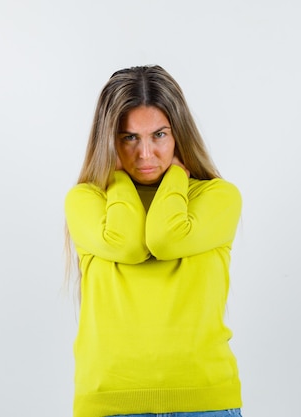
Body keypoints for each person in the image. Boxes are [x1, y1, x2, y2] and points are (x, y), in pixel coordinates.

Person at [64, 65, 243, 417]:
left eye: (159, 135)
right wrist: (116, 179)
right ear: (109, 140)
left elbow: (165, 237)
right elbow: (128, 242)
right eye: (129, 137)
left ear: (180, 135)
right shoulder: (86, 200)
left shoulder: (218, 197)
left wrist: (177, 175)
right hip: (110, 403)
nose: (145, 154)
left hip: (204, 401)